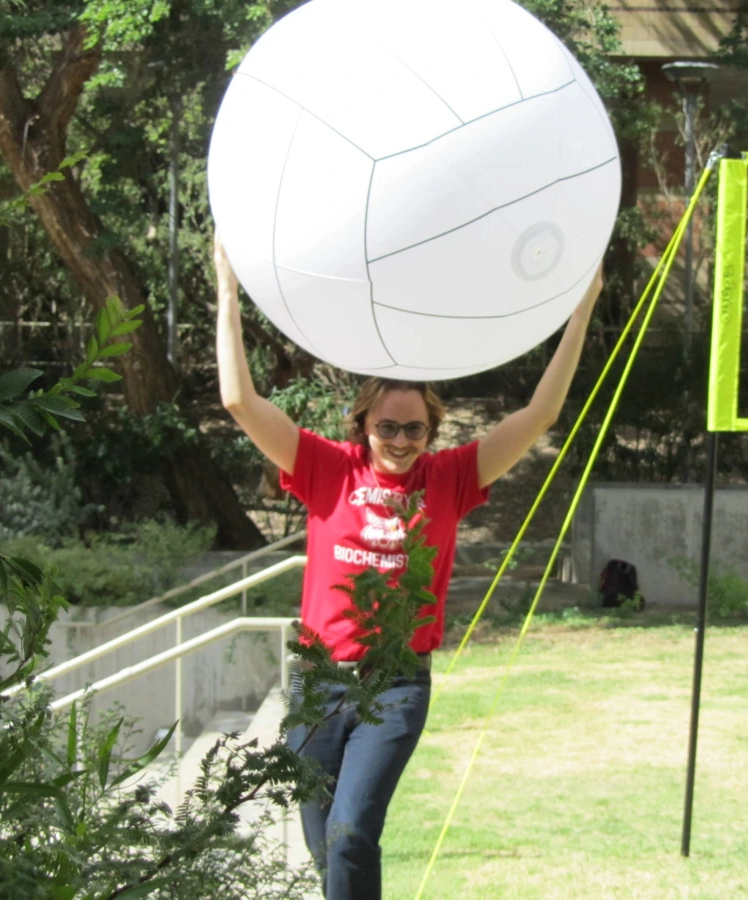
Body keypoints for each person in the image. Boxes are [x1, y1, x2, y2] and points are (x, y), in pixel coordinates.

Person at [214, 235, 602, 899]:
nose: (399, 441)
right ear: (362, 425)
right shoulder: (325, 469)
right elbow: (239, 403)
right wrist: (227, 290)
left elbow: (541, 413)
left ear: (432, 432)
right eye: (387, 428)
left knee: (351, 833)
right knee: (323, 845)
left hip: (394, 687)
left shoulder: (452, 479)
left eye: (413, 429)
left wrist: (583, 306)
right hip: (318, 683)